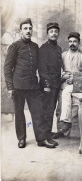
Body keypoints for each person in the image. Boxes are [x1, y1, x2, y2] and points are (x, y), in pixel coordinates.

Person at [4, 18, 57, 149]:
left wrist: (45, 83)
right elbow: (7, 68)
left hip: (33, 86)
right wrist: (10, 87)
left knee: (38, 112)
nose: (28, 31)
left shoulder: (34, 47)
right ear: (20, 31)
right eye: (25, 28)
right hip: (18, 87)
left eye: (30, 28)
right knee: (19, 113)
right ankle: (21, 138)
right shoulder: (14, 46)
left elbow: (40, 67)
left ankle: (41, 139)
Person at [52, 32, 82, 139]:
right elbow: (57, 70)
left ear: (79, 42)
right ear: (68, 42)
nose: (72, 44)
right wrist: (63, 76)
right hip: (64, 84)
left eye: (75, 41)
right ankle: (61, 130)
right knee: (60, 107)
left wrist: (74, 78)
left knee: (76, 109)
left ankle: (77, 131)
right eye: (70, 41)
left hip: (79, 85)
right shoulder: (63, 55)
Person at [38, 22, 62, 146]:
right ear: (47, 34)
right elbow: (42, 68)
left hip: (56, 85)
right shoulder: (44, 48)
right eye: (51, 31)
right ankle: (44, 138)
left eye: (56, 31)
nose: (54, 33)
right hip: (47, 86)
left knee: (50, 111)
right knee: (46, 111)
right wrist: (46, 85)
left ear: (58, 33)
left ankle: (46, 136)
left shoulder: (58, 48)